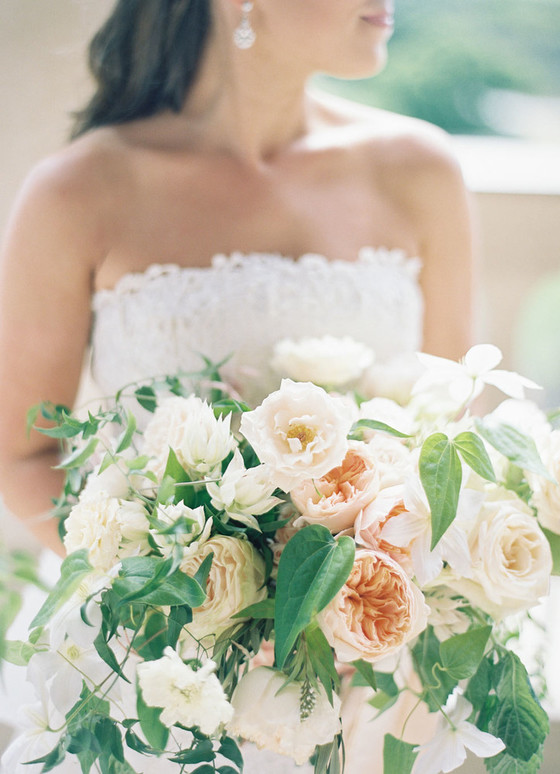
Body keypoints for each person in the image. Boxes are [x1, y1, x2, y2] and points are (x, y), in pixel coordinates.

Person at [0, 0, 474, 771]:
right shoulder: (78, 191)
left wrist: (353, 608)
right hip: (154, 672)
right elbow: (23, 456)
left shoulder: (420, 170)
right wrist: (193, 600)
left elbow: (450, 436)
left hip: (369, 677)